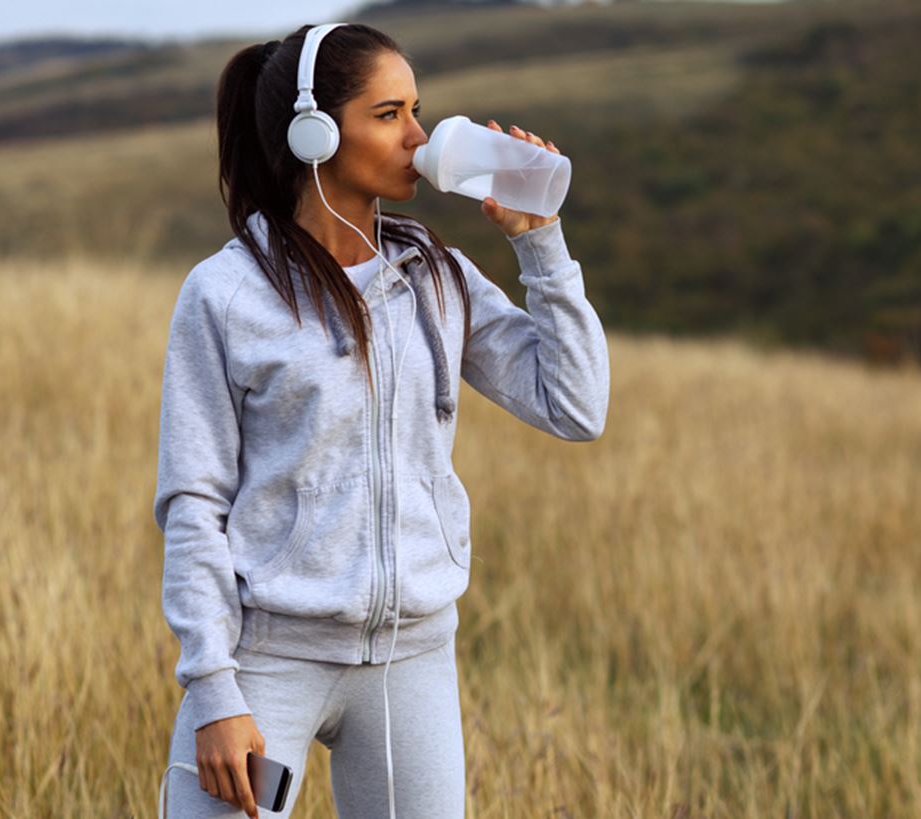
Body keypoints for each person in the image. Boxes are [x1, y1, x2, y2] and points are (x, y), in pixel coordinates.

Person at [153, 21, 610, 818]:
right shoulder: (225, 295)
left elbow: (574, 407)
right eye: (390, 114)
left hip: (412, 660)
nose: (419, 138)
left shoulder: (437, 276)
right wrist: (213, 690)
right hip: (268, 662)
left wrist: (542, 244)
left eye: (416, 111)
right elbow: (193, 502)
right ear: (315, 132)